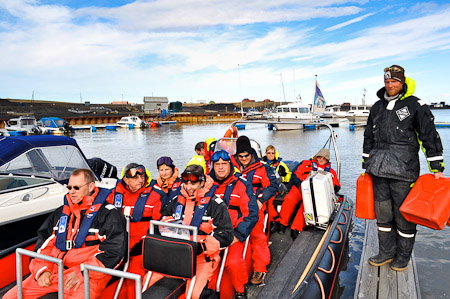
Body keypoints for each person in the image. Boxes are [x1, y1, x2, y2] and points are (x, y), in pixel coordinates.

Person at [363, 65, 445, 271]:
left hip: (404, 171)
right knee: (383, 214)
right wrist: (366, 166)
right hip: (378, 170)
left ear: (403, 82)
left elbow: (429, 136)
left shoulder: (416, 105)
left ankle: (403, 256)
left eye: (395, 81)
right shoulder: (376, 107)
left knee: (403, 215)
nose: (390, 85)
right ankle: (386, 252)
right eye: (387, 81)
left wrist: (436, 167)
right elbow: (368, 138)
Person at [3, 169, 126, 299]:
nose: (72, 191)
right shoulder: (61, 213)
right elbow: (43, 245)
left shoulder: (108, 214)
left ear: (91, 187)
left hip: (87, 276)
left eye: (77, 188)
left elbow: (114, 252)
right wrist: (43, 270)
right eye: (69, 187)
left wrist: (82, 272)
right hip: (54, 270)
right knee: (10, 297)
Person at [149, 164, 234, 299]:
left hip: (202, 257)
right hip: (175, 254)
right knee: (147, 284)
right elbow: (163, 221)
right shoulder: (176, 201)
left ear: (202, 182)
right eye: (186, 183)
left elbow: (226, 235)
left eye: (193, 184)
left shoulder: (216, 204)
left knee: (196, 295)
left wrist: (202, 247)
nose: (189, 187)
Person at [209, 150, 259, 298]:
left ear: (230, 165)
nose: (220, 167)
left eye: (224, 164)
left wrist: (238, 234)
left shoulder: (242, 185)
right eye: (217, 164)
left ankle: (240, 290)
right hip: (210, 235)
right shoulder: (206, 184)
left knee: (233, 263)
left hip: (233, 234)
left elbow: (251, 213)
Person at [231, 136, 279, 285]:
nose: (244, 158)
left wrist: (260, 200)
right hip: (233, 206)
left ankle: (260, 268)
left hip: (254, 206)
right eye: (241, 156)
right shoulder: (228, 165)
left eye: (247, 155)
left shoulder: (263, 168)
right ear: (237, 156)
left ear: (251, 154)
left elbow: (272, 186)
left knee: (257, 234)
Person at [109, 163, 162, 297]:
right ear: (125, 180)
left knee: (134, 275)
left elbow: (159, 226)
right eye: (135, 178)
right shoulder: (113, 195)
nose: (140, 180)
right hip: (116, 244)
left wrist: (144, 243)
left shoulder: (155, 196)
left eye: (142, 177)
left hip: (140, 246)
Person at [273, 148, 340, 239]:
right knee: (290, 198)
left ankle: (296, 228)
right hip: (300, 188)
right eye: (319, 157)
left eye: (323, 158)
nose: (321, 159)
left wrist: (332, 188)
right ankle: (282, 223)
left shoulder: (331, 172)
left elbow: (336, 185)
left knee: (307, 205)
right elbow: (296, 174)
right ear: (316, 157)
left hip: (315, 194)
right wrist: (300, 184)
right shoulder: (306, 163)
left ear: (327, 160)